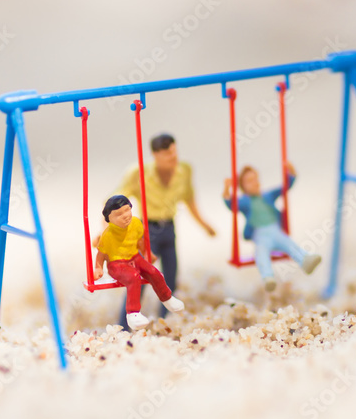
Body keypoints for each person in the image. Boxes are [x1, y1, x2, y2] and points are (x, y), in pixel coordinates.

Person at [110, 133, 215, 328]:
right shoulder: (138, 173)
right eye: (167, 154)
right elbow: (116, 201)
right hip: (148, 230)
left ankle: (164, 321)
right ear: (156, 155)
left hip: (169, 229)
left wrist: (204, 225)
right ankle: (123, 325)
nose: (173, 158)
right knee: (139, 278)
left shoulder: (184, 170)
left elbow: (190, 200)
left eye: (174, 152)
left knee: (171, 277)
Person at [222, 162, 321, 291]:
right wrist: (226, 189)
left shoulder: (267, 196)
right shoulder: (245, 202)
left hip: (275, 230)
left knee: (289, 244)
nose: (255, 183)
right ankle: (268, 277)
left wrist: (291, 173)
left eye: (256, 179)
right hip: (260, 234)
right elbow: (231, 204)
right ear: (243, 186)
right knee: (261, 253)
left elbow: (284, 188)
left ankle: (305, 260)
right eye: (250, 181)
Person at [94, 195, 184, 331]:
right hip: (117, 264)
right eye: (119, 214)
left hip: (135, 257)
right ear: (109, 219)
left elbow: (140, 241)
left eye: (127, 210)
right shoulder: (108, 234)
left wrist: (147, 253)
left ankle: (167, 298)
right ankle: (133, 313)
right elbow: (101, 254)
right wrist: (98, 268)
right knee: (133, 277)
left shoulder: (136, 223)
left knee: (154, 271)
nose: (125, 216)